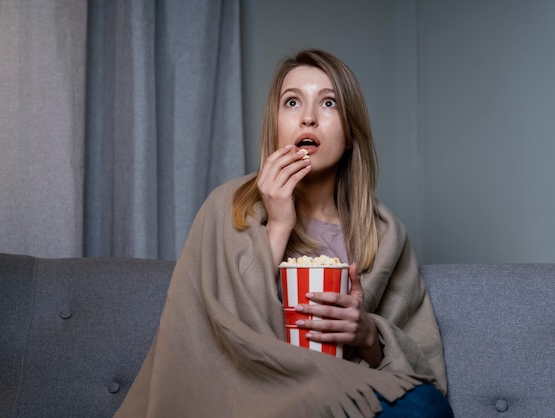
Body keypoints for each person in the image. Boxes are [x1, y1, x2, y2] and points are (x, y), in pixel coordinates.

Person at [115, 49, 453, 417]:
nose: (308, 117)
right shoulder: (227, 205)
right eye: (292, 102)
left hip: (337, 392)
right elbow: (214, 334)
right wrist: (278, 225)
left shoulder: (384, 233)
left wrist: (369, 336)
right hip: (251, 393)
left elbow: (417, 367)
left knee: (427, 406)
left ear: (352, 130)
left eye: (329, 103)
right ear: (275, 124)